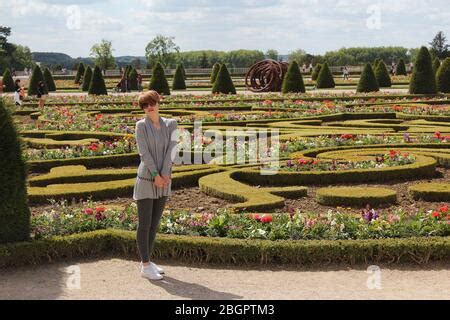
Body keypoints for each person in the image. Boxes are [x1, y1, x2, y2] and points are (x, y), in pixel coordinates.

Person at [133, 90, 178, 281]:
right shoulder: (141, 126)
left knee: (154, 224)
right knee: (145, 224)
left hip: (164, 179)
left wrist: (164, 174)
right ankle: (144, 265)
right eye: (145, 105)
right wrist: (155, 175)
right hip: (146, 179)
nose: (149, 107)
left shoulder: (172, 124)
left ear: (158, 102)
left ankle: (149, 262)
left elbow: (172, 149)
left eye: (151, 103)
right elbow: (144, 153)